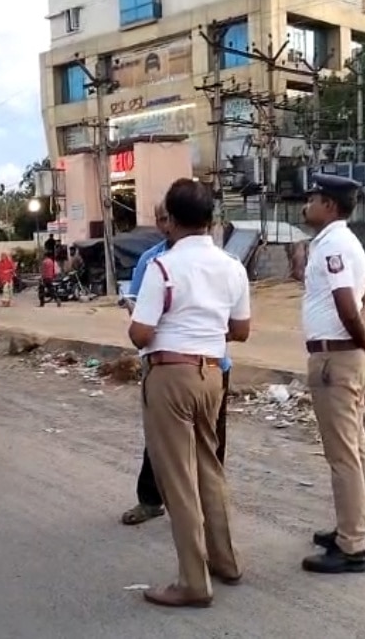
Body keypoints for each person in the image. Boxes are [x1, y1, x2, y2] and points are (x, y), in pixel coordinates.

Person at [128, 178, 251, 608]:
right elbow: (241, 330)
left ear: (171, 221)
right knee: (209, 469)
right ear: (211, 218)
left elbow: (140, 334)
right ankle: (226, 560)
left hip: (170, 376)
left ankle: (193, 582)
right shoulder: (233, 266)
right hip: (213, 374)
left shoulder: (162, 267)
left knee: (178, 481)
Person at [299, 173, 365, 575]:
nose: (307, 205)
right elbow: (361, 295)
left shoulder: (334, 244)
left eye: (313, 198)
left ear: (330, 206)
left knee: (342, 457)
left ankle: (351, 546)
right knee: (355, 449)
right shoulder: (343, 242)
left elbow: (346, 304)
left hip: (335, 358)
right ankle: (357, 528)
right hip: (344, 355)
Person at [120, 202, 233, 528]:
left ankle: (207, 510)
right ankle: (153, 500)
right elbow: (140, 316)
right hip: (168, 365)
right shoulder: (153, 262)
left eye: (167, 218)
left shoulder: (225, 263)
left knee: (211, 444)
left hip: (212, 364)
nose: (163, 225)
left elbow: (235, 325)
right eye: (158, 218)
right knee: (161, 443)